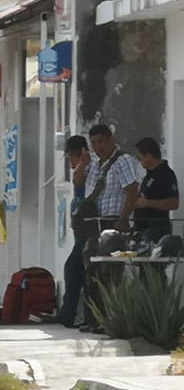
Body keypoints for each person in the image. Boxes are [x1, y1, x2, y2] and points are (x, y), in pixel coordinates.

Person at [78, 124, 140, 334]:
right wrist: (83, 163)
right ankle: (94, 319)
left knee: (110, 273)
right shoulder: (96, 164)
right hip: (94, 224)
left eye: (101, 141)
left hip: (113, 223)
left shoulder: (123, 161)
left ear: (110, 139)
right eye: (94, 143)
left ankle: (109, 320)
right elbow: (78, 180)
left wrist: (123, 219)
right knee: (91, 272)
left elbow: (132, 190)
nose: (98, 147)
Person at [58, 135, 90, 328]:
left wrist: (83, 164)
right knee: (81, 271)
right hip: (80, 227)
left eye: (71, 157)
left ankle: (68, 313)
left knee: (73, 267)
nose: (70, 163)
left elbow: (79, 182)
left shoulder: (87, 169)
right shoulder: (82, 168)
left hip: (88, 228)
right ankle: (79, 314)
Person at [134, 137, 179, 244]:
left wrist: (147, 203)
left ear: (148, 156)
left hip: (156, 230)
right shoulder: (149, 175)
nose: (139, 162)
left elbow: (173, 203)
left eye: (140, 158)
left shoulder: (166, 174)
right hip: (142, 230)